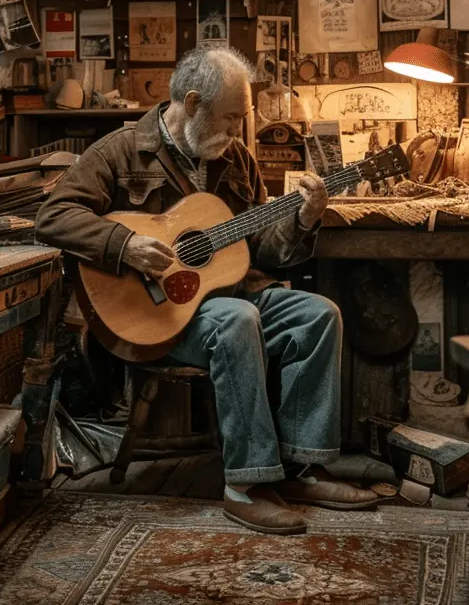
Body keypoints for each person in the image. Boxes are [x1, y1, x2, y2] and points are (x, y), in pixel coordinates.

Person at [36, 46, 378, 534]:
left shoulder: (235, 158)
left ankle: (302, 468)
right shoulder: (120, 150)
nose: (238, 131)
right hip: (158, 318)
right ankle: (247, 484)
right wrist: (124, 244)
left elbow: (260, 250)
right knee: (238, 320)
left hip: (229, 296)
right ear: (192, 103)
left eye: (241, 119)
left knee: (318, 314)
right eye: (231, 118)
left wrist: (303, 219)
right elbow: (52, 218)